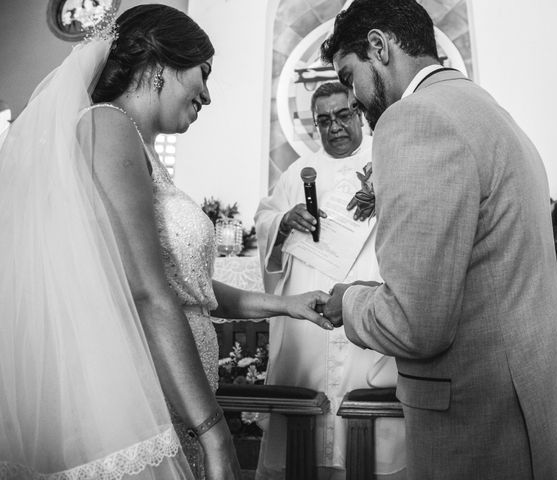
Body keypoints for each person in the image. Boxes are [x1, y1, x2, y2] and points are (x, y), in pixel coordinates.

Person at [0, 5, 333, 480]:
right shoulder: (106, 126)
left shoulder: (134, 143)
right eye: (204, 73)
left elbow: (186, 290)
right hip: (146, 398)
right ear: (160, 65)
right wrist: (215, 431)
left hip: (176, 404)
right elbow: (144, 290)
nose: (209, 95)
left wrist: (289, 305)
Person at [319, 1, 557, 479]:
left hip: (482, 422)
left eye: (350, 77)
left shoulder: (415, 119)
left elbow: (416, 324)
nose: (351, 99)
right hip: (531, 398)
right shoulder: (484, 109)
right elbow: (486, 275)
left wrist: (349, 302)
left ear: (379, 46)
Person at [254, 82, 405, 480]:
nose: (335, 126)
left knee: (363, 399)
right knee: (309, 404)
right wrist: (283, 223)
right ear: (314, 124)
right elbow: (266, 219)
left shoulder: (387, 159)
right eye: (324, 120)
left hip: (365, 296)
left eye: (343, 116)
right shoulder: (296, 172)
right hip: (309, 308)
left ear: (358, 114)